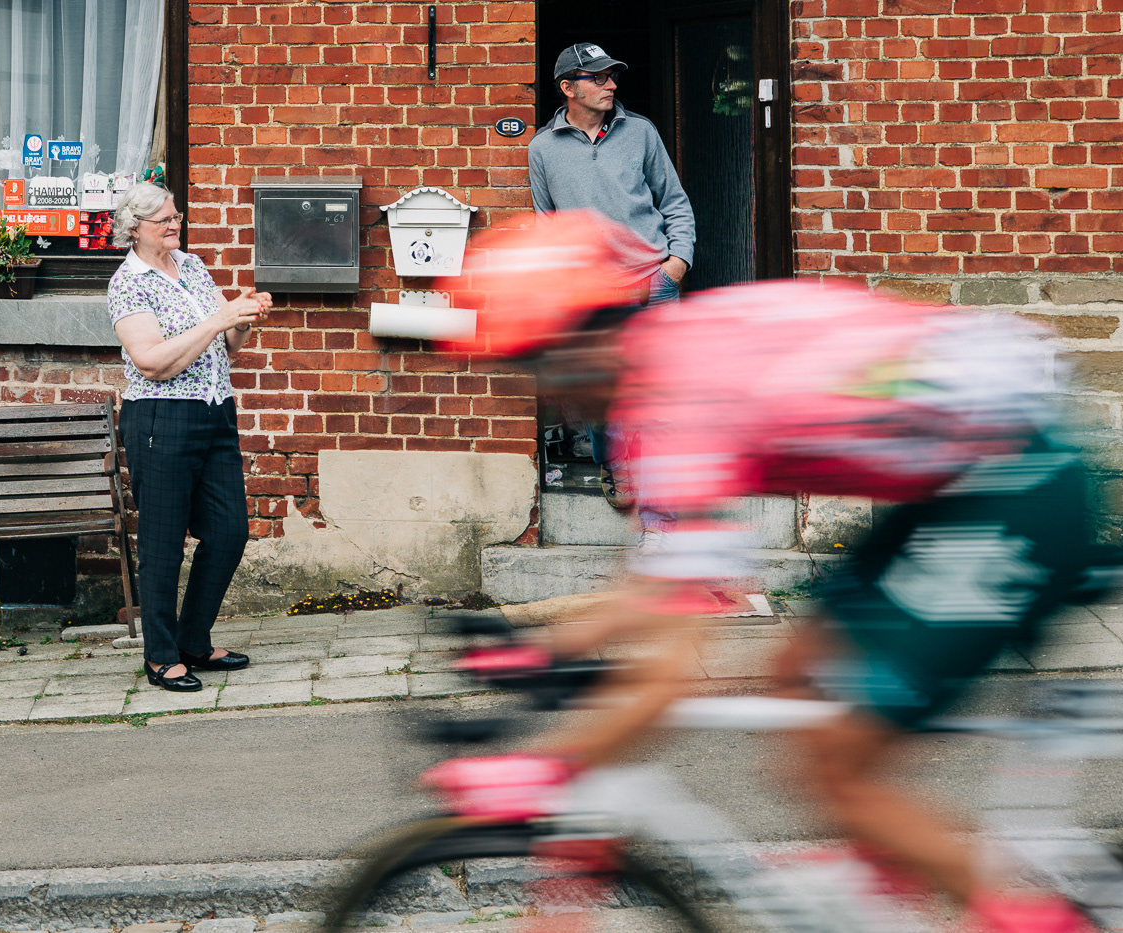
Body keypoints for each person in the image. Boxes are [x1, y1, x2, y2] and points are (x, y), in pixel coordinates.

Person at [440, 210, 1096, 933]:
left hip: (1015, 488)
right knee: (797, 672)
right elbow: (656, 591)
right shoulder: (668, 362)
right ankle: (879, 877)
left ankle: (1037, 922)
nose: (550, 390)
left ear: (590, 340)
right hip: (953, 483)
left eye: (546, 363)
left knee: (837, 766)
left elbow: (672, 665)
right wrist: (539, 651)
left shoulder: (680, 401)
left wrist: (548, 766)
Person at [108, 182, 270, 693]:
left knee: (229, 532)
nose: (174, 225)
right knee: (163, 543)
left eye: (176, 217)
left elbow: (229, 344)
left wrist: (243, 316)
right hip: (161, 418)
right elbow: (152, 362)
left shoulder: (193, 266)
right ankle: (161, 656)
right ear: (134, 228)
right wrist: (220, 318)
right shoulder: (127, 284)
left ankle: (193, 640)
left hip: (215, 411)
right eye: (164, 221)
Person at [529, 43, 694, 534]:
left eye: (611, 76)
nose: (611, 85)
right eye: (598, 77)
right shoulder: (543, 149)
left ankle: (660, 522)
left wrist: (676, 264)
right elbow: (547, 226)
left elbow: (674, 201)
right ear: (568, 87)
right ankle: (616, 463)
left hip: (653, 284)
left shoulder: (640, 132)